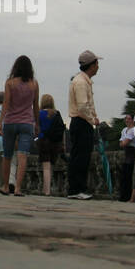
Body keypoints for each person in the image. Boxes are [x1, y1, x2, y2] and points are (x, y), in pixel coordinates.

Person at [0, 55, 40, 197]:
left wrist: (0, 122)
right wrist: (37, 123)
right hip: (27, 123)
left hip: (10, 122)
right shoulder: (34, 84)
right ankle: (17, 188)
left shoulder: (10, 83)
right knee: (23, 156)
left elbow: (6, 103)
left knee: (7, 155)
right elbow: (36, 106)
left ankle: (5, 186)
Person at [67, 51, 102, 199]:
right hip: (82, 122)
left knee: (80, 156)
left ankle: (77, 188)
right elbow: (82, 106)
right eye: (96, 64)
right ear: (91, 65)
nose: (98, 67)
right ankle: (77, 189)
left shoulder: (82, 80)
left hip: (80, 122)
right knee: (80, 157)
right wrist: (92, 119)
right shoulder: (81, 82)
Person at [37, 94, 66, 196]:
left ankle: (46, 190)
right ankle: (48, 188)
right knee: (51, 166)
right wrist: (63, 144)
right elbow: (62, 129)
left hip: (44, 140)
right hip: (55, 142)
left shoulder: (39, 114)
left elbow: (36, 128)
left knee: (45, 167)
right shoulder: (56, 113)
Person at [118, 114, 135, 203]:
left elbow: (124, 143)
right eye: (126, 119)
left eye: (129, 119)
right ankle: (123, 196)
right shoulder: (124, 130)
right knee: (124, 176)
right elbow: (121, 143)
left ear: (133, 120)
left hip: (132, 153)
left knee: (129, 176)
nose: (127, 120)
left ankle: (128, 196)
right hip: (127, 153)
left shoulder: (134, 130)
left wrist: (124, 142)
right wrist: (124, 142)